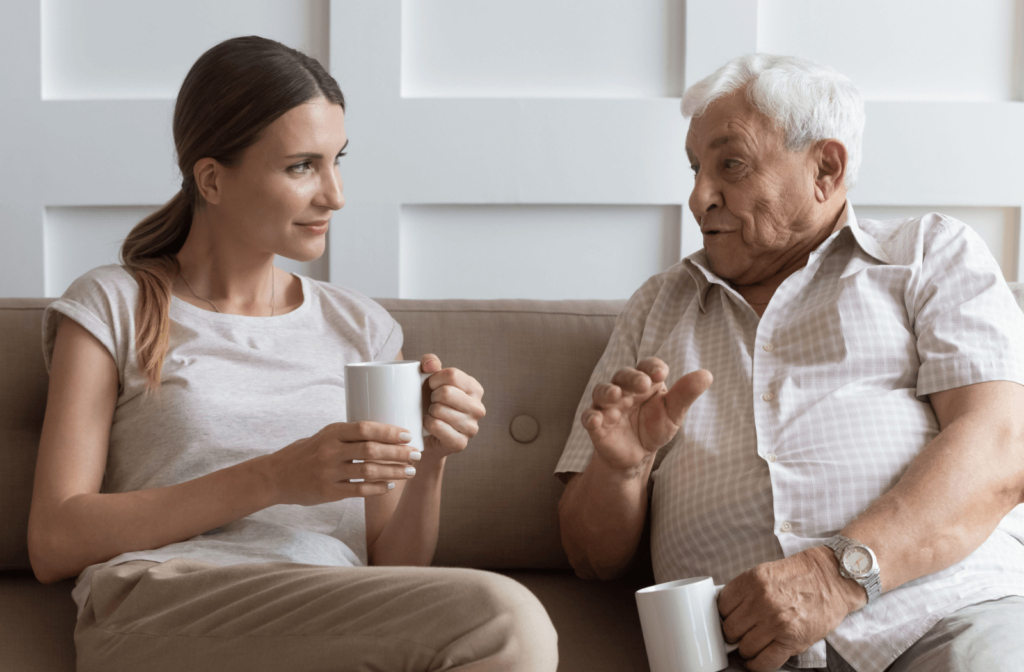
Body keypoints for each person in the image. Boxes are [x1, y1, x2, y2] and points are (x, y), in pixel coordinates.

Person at [27, 36, 557, 672]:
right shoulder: (114, 303)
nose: (334, 195)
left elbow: (394, 567)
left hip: (330, 612)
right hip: (160, 607)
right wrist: (275, 477)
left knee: (496, 624)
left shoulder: (360, 327)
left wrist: (432, 459)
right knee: (505, 617)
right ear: (212, 179)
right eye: (302, 166)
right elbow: (55, 541)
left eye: (338, 161)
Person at [556, 54, 1024, 672]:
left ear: (825, 168)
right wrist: (620, 470)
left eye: (731, 164)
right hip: (728, 652)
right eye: (695, 169)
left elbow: (1000, 448)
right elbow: (591, 558)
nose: (699, 197)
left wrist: (835, 576)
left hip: (944, 624)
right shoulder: (657, 305)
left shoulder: (929, 255)